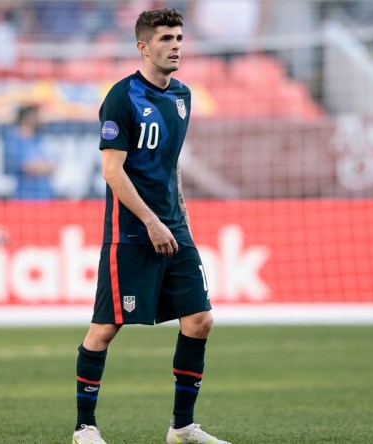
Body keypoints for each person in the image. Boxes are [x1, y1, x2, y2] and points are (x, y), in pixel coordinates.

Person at [72, 8, 230, 444]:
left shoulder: (183, 96)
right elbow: (112, 171)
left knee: (200, 320)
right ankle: (84, 428)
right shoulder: (122, 98)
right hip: (132, 233)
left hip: (174, 228)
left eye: (179, 37)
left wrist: (179, 218)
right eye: (165, 39)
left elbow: (170, 165)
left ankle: (182, 428)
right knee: (105, 329)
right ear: (143, 47)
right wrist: (151, 221)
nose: (175, 45)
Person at [3, 104, 55, 199]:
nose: (40, 119)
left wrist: (40, 167)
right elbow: (26, 166)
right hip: (24, 198)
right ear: (28, 117)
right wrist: (42, 167)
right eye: (37, 115)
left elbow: (53, 167)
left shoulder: (38, 138)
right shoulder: (14, 138)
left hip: (44, 197)